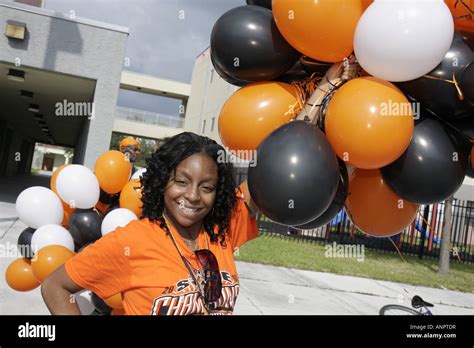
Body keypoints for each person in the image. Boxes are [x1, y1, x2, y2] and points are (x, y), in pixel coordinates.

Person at [41, 132, 259, 315]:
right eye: (182, 181)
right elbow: (55, 286)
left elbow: (268, 174)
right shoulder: (131, 241)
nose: (193, 195)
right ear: (163, 181)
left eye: (207, 187)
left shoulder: (222, 229)